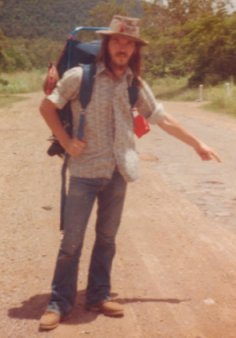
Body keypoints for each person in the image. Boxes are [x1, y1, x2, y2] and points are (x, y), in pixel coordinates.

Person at [39, 15, 220, 330]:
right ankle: (59, 302)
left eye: (129, 43)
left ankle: (98, 295)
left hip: (119, 171)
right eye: (118, 40)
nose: (123, 47)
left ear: (135, 50)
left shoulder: (135, 84)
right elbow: (47, 106)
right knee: (72, 241)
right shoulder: (79, 76)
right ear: (107, 44)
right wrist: (66, 141)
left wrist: (197, 143)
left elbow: (162, 118)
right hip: (84, 171)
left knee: (107, 238)